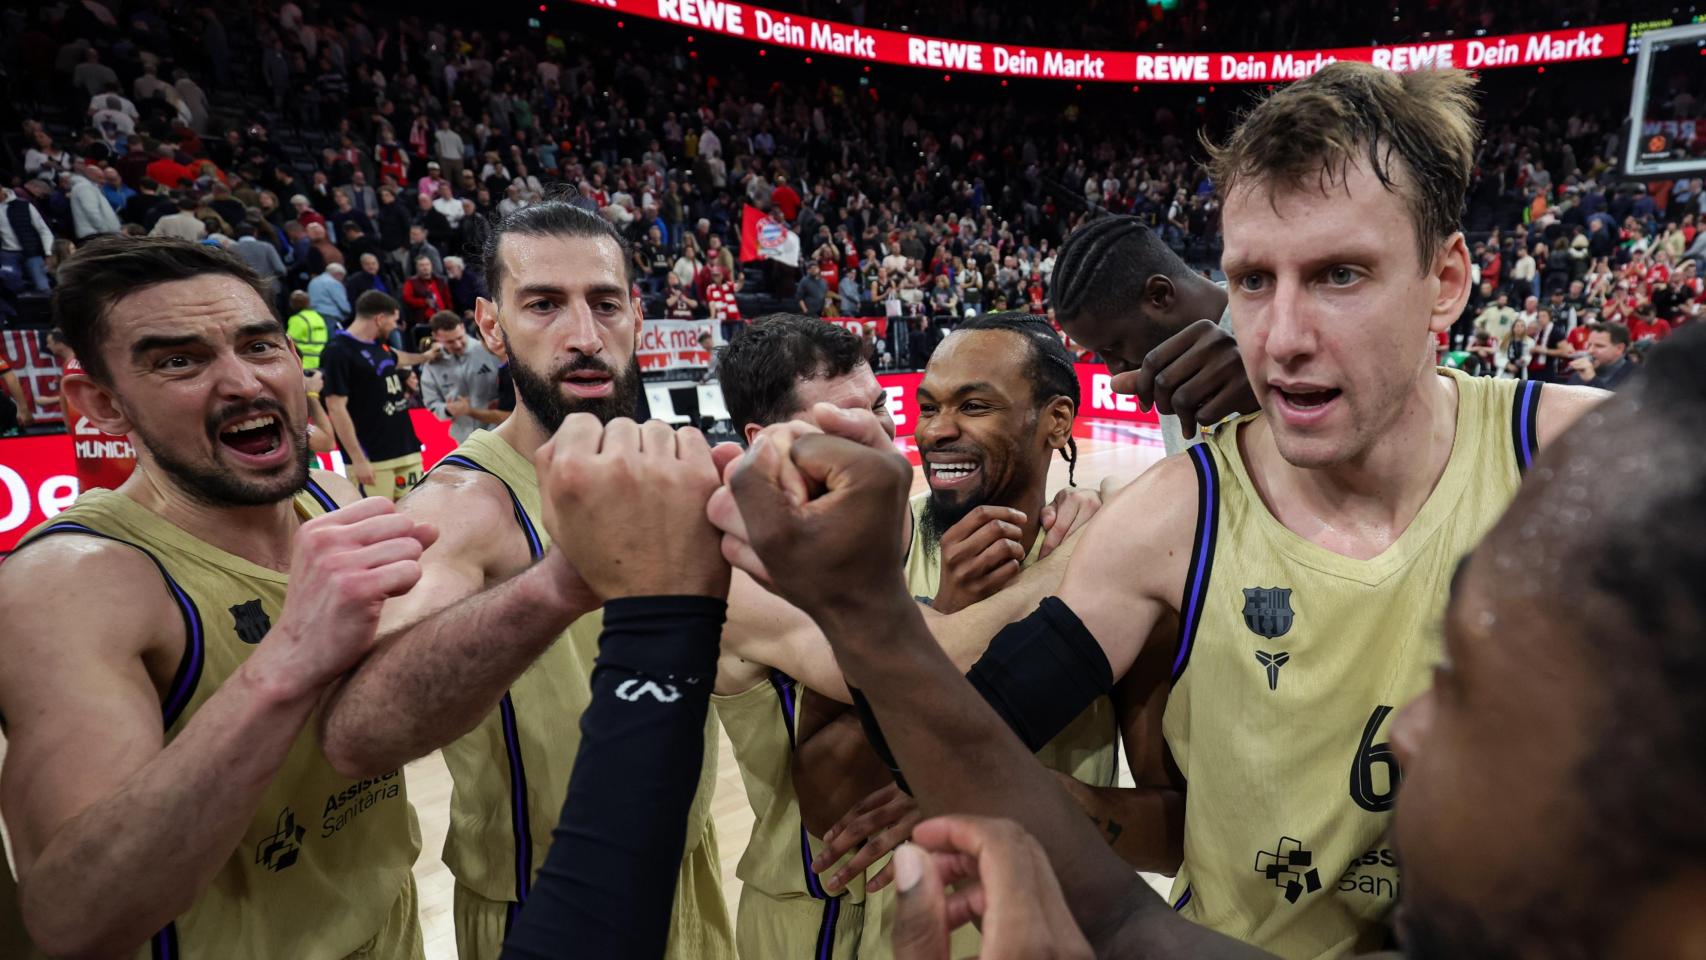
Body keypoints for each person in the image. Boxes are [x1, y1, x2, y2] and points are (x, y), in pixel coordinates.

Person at [714, 62, 1605, 959]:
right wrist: (855, 610)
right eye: (1253, 281)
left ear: (1445, 280)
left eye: (1340, 274)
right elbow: (965, 726)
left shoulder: (1582, 461)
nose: (1283, 337)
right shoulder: (1178, 513)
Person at [739, 324, 1706, 960]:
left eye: (1466, 690)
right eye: (928, 404)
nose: (1403, 735)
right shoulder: (905, 543)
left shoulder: (1133, 553)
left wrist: (1048, 808)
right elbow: (842, 796)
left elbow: (1163, 841)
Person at [316, 202, 739, 960]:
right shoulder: (462, 506)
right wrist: (559, 582)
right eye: (543, 304)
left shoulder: (669, 462)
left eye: (604, 304)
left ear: (637, 317)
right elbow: (362, 731)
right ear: (489, 324)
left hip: (687, 863)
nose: (583, 335)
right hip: (548, 903)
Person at [0, 236, 430, 960]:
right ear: (102, 403)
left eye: (259, 347)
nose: (243, 384)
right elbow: (73, 917)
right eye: (180, 361)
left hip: (389, 926)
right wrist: (287, 659)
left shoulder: (326, 498)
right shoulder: (69, 584)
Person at [709, 313, 1110, 960]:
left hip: (989, 903)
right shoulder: (747, 575)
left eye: (882, 410)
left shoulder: (907, 526)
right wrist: (1095, 557)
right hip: (815, 903)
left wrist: (1096, 515)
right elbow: (904, 678)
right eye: (845, 420)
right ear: (766, 440)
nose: (888, 437)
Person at [1049, 215, 1252, 456]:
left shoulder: (1280, 335)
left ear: (1159, 295)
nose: (1115, 370)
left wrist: (1265, 403)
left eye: (1114, 347)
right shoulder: (1168, 363)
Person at [318, 290, 438, 499]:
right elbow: (336, 408)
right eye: (394, 320)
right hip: (373, 459)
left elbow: (399, 358)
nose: (395, 326)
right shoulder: (337, 351)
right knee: (380, 524)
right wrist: (358, 459)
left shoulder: (378, 347)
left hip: (406, 449)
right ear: (380, 318)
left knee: (415, 517)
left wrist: (425, 356)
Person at [40, 327, 137, 492]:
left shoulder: (72, 364)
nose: (48, 347)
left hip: (92, 453)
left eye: (49, 342)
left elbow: (68, 420)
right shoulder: (109, 361)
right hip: (119, 453)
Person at [420, 311, 506, 442]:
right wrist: (447, 410)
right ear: (436, 336)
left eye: (460, 338)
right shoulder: (431, 365)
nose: (458, 345)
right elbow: (431, 403)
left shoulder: (488, 350)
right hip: (464, 439)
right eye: (450, 342)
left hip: (499, 431)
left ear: (462, 327)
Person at [1, 184, 56, 293]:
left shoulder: (24, 205)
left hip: (32, 251)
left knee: (43, 286)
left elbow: (43, 230)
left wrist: (48, 253)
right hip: (7, 253)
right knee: (12, 288)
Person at [1565, 322, 1637, 390]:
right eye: (1589, 345)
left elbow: (1620, 402)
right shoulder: (1580, 374)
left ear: (1619, 348)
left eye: (1599, 346)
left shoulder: (1638, 377)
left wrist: (1592, 380)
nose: (1590, 350)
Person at [286, 290, 331, 371]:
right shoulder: (318, 317)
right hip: (319, 362)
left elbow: (289, 341)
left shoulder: (297, 319)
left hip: (304, 363)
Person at [402, 255, 452, 328]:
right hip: (425, 321)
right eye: (421, 265)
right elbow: (407, 298)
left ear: (431, 266)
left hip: (444, 316)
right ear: (417, 267)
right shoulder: (411, 282)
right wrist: (424, 302)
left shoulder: (440, 280)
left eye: (427, 264)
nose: (425, 267)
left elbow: (448, 299)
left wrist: (450, 312)